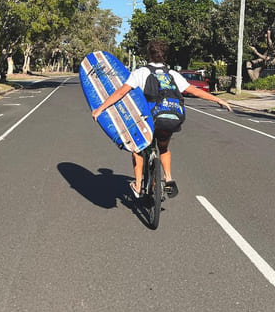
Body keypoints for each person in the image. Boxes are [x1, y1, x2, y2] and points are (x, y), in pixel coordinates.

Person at [91, 40, 232, 199]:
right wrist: (219, 100)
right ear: (165, 56)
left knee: (138, 149)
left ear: (148, 55)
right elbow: (194, 91)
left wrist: (100, 109)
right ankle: (169, 178)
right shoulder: (173, 74)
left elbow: (120, 93)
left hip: (150, 120)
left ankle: (138, 186)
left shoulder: (140, 73)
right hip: (171, 118)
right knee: (163, 148)